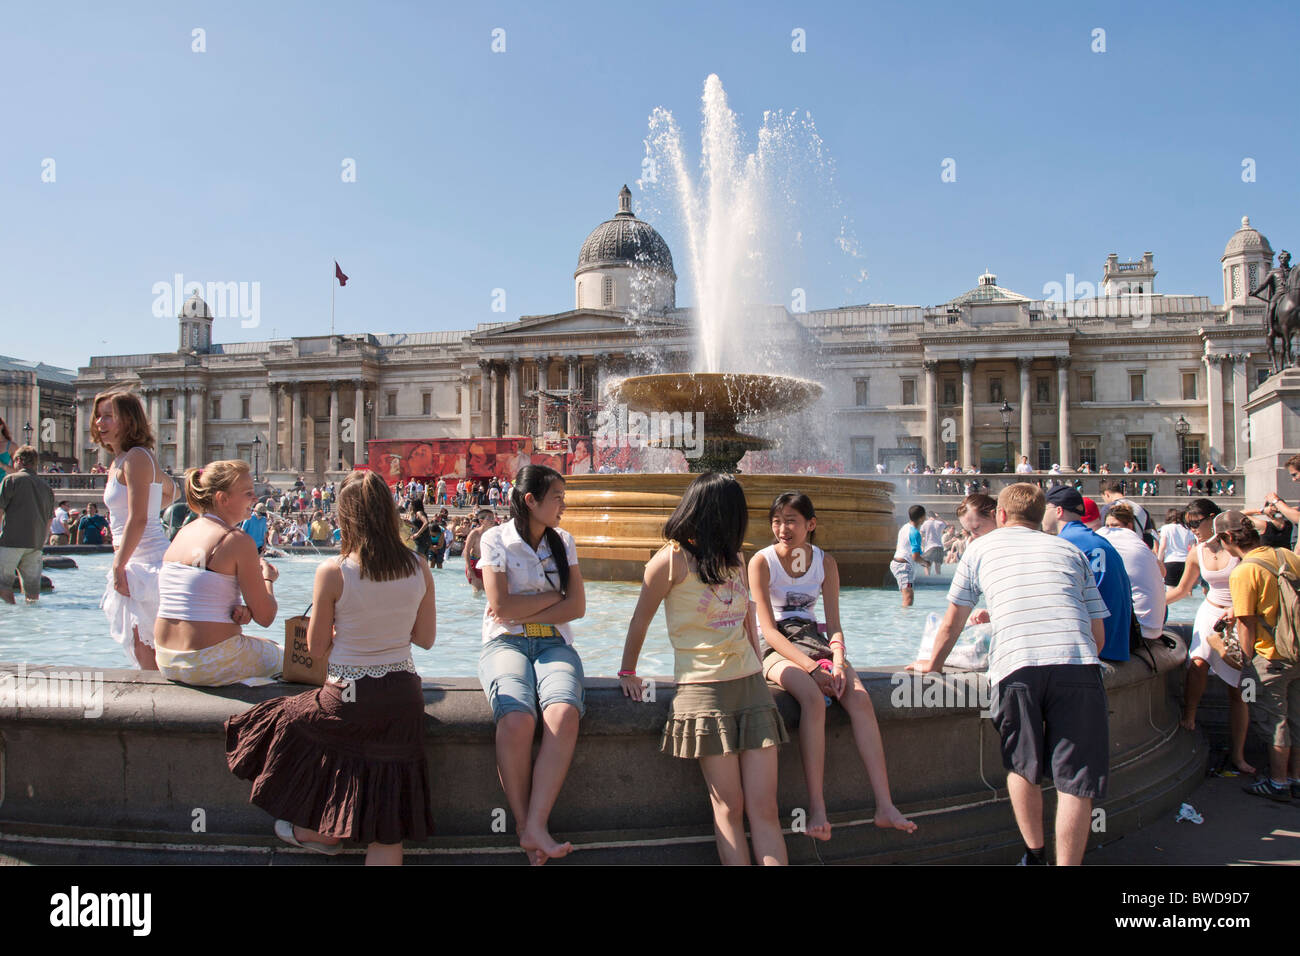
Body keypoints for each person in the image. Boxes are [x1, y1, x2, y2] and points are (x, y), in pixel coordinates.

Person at [226, 469, 437, 865]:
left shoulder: (334, 571)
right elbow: (425, 639)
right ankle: (327, 831)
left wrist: (348, 629)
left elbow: (318, 647)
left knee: (283, 715)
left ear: (345, 516)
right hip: (403, 697)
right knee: (388, 825)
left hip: (349, 695)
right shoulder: (419, 566)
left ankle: (315, 830)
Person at [911, 483, 1109, 866]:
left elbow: (953, 623)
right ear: (1042, 516)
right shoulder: (1070, 550)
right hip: (1077, 663)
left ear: (1000, 516)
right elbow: (1097, 633)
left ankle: (1034, 856)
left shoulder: (980, 548)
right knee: (1075, 781)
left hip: (1016, 666)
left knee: (1023, 764)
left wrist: (931, 665)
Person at [619, 472, 788, 865]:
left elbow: (749, 620)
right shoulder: (671, 559)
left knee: (765, 810)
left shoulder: (736, 557)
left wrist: (760, 668)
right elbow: (640, 619)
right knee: (729, 808)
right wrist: (628, 672)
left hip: (750, 687)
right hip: (703, 692)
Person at [749, 491, 915, 842]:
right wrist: (812, 669)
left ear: (811, 524)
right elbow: (766, 629)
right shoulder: (761, 562)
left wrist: (837, 662)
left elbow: (834, 625)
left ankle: (885, 806)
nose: (782, 528)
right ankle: (818, 809)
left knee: (859, 698)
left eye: (791, 520)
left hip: (813, 640)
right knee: (812, 698)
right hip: (775, 645)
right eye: (776, 521)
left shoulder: (826, 563)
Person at [477, 465, 586, 864]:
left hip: (554, 643)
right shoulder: (495, 539)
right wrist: (554, 596)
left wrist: (525, 607)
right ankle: (526, 826)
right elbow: (502, 610)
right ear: (531, 501)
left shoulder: (565, 540)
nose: (563, 505)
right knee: (517, 719)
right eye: (557, 497)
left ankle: (536, 824)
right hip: (504, 642)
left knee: (562, 713)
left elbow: (578, 607)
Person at [154, 461, 283, 685]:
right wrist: (267, 579)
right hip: (205, 662)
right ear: (223, 499)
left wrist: (240, 611)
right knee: (297, 658)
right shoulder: (235, 539)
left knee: (265, 644)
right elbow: (266, 616)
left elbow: (196, 599)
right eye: (248, 493)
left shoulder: (183, 533)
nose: (255, 499)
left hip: (166, 658)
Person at [1213, 510, 1300, 801]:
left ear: (1227, 537)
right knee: (1297, 719)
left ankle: (1277, 783)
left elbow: (1247, 624)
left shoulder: (1244, 571)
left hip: (1271, 657)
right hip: (1297, 650)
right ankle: (1295, 778)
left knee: (1275, 721)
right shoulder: (1286, 556)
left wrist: (1245, 663)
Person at [1165, 499, 1254, 774]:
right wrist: (1151, 606)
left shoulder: (1239, 549)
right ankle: (1190, 714)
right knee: (1198, 662)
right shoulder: (1196, 552)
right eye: (1187, 523)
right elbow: (1181, 590)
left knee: (1238, 689)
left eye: (1195, 522)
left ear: (1213, 519)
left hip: (1237, 615)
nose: (1192, 529)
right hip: (1210, 611)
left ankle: (1238, 754)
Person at [94, 389, 177, 670]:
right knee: (143, 651)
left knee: (149, 654)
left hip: (147, 562)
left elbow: (139, 518)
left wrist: (119, 565)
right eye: (98, 416)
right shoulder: (124, 460)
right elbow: (171, 491)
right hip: (136, 560)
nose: (99, 423)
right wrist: (155, 504)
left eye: (108, 416)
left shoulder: (137, 458)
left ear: (128, 420)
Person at [1042, 485, 1132, 663]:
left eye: (1045, 509)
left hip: (1095, 647)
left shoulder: (1063, 544)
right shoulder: (1098, 540)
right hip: (1117, 644)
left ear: (1058, 511)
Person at [1098, 503, 1167, 641]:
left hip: (1136, 630)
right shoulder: (1140, 545)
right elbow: (1162, 572)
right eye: (1108, 526)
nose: (1110, 530)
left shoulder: (1108, 540)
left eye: (1115, 525)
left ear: (1129, 526)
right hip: (1153, 627)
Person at [0, 446, 54, 604]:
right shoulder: (47, 488)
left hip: (11, 542)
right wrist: (41, 543)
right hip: (35, 545)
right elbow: (49, 520)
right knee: (32, 593)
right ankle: (29, 624)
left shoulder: (10, 480)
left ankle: (13, 619)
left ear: (19, 460)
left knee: (2, 586)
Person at [890, 505, 925, 607]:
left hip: (898, 563)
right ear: (922, 518)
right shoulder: (915, 533)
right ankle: (905, 621)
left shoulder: (904, 527)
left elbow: (898, 546)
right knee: (908, 598)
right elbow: (916, 557)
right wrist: (925, 563)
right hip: (903, 567)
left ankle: (904, 618)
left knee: (907, 595)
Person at [1157, 508, 1195, 587]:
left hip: (1171, 561)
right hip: (1185, 561)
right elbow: (1193, 547)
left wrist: (1159, 561)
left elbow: (1163, 545)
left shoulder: (1165, 528)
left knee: (1171, 590)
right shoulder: (1187, 529)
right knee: (1186, 589)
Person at [463, 508, 496, 593]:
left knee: (487, 592)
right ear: (481, 521)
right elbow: (466, 551)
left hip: (486, 565)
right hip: (474, 564)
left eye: (493, 518)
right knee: (477, 592)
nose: (492, 520)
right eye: (489, 518)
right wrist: (469, 569)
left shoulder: (493, 533)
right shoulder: (475, 533)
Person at [919, 510, 947, 575]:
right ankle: (938, 582)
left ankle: (927, 581)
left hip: (930, 547)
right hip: (939, 547)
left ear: (927, 516)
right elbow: (947, 525)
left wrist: (920, 545)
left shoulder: (925, 523)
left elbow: (920, 534)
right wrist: (939, 517)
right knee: (938, 569)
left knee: (927, 565)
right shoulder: (940, 523)